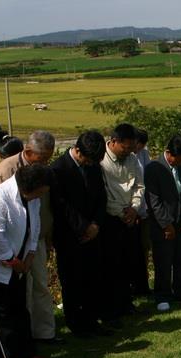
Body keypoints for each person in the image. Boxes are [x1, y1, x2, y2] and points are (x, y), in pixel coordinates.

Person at [0, 130, 60, 344]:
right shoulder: (7, 169)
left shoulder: (42, 171)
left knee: (41, 286)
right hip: (12, 244)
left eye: (49, 158)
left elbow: (42, 208)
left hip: (36, 239)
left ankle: (45, 333)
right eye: (43, 158)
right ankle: (25, 335)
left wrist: (46, 235)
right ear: (28, 151)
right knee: (22, 292)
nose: (46, 162)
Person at [0, 164, 52, 358]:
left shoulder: (33, 198)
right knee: (3, 315)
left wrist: (30, 253)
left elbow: (34, 224)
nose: (41, 196)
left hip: (21, 260)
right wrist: (12, 260)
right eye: (40, 191)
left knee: (21, 310)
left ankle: (27, 353)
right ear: (30, 187)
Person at [50, 131, 111, 338]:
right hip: (70, 236)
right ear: (77, 150)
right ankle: (77, 324)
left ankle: (93, 320)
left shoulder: (94, 166)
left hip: (93, 233)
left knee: (94, 278)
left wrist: (95, 224)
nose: (90, 163)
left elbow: (101, 197)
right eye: (87, 159)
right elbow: (62, 206)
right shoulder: (58, 169)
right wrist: (83, 227)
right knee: (73, 281)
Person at [145, 135, 181, 311]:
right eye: (179, 158)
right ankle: (162, 295)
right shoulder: (154, 168)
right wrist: (166, 224)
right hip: (162, 224)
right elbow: (154, 201)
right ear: (169, 153)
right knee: (163, 260)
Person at [100, 123, 145, 325]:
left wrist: (134, 207)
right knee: (112, 266)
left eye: (131, 147)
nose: (128, 151)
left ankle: (127, 303)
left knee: (130, 262)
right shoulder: (101, 160)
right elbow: (104, 193)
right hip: (111, 219)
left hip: (130, 216)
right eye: (125, 147)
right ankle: (113, 308)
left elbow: (139, 185)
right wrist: (121, 212)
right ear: (114, 141)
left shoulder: (133, 159)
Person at [130, 128, 151, 296]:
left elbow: (147, 178)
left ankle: (142, 285)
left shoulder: (144, 153)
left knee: (144, 248)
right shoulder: (127, 155)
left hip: (144, 209)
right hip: (128, 210)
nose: (139, 148)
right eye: (138, 144)